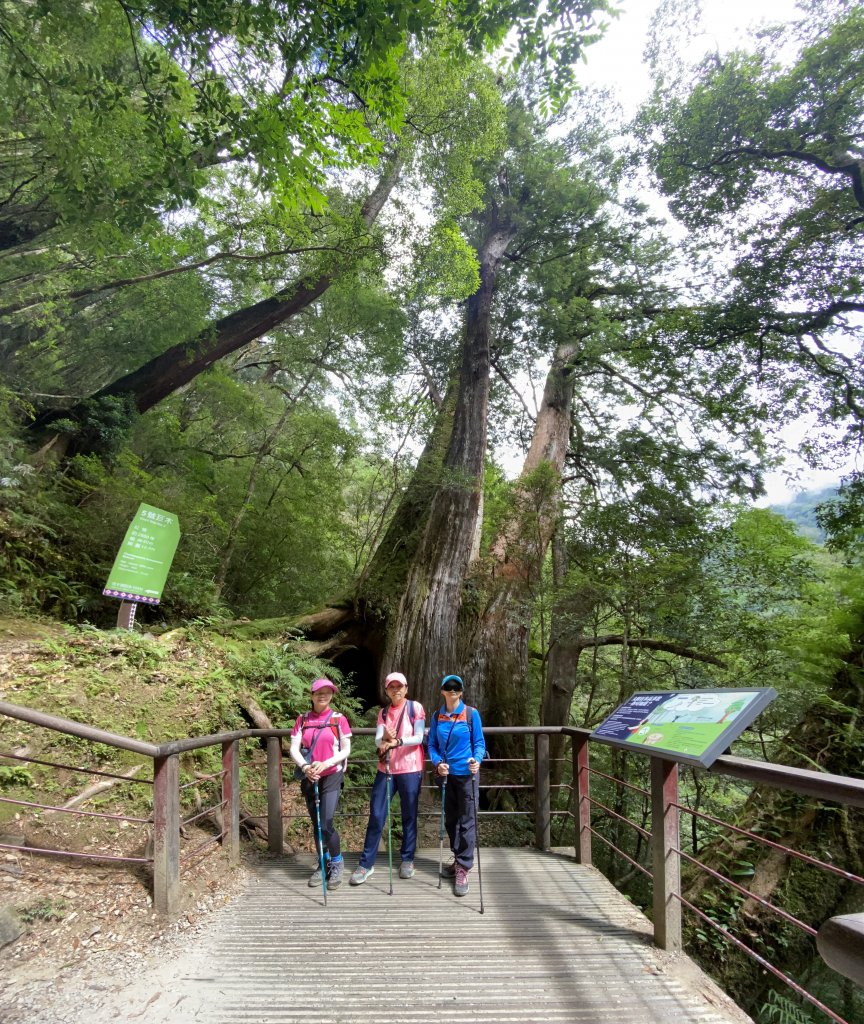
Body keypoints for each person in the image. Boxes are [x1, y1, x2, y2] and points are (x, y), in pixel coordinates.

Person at [350, 671, 426, 885]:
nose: (396, 690)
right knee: (376, 814)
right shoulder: (383, 713)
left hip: (410, 768)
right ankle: (366, 864)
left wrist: (397, 741)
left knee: (409, 814)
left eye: (399, 686)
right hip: (386, 768)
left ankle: (407, 859)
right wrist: (384, 738)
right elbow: (377, 739)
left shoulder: (415, 708)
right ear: (386, 690)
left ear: (406, 688)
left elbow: (419, 737)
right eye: (392, 687)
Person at [426, 674, 485, 897]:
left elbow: (479, 743)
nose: (452, 691)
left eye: (456, 688)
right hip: (447, 776)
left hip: (467, 775)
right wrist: (438, 762)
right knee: (451, 820)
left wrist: (476, 760)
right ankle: (458, 857)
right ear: (442, 690)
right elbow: (432, 745)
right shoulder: (436, 716)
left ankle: (464, 866)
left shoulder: (471, 714)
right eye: (448, 687)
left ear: (461, 691)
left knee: (467, 820)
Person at [290, 678, 352, 889]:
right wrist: (306, 767)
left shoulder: (339, 719)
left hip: (331, 773)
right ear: (312, 695)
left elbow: (345, 750)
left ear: (332, 695)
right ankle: (323, 863)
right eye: (319, 692)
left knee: (326, 822)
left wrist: (325, 763)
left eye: (327, 692)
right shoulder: (302, 719)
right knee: (316, 823)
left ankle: (337, 861)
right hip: (310, 775)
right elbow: (294, 748)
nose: (323, 695)